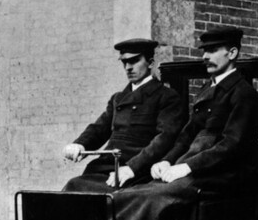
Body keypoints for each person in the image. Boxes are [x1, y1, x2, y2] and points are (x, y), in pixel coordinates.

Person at [105, 26, 258, 220]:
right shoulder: (209, 89)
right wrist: (168, 161)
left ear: (232, 53)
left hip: (222, 175)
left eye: (213, 50)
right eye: (205, 51)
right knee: (132, 193)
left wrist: (186, 167)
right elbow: (187, 135)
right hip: (196, 167)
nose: (206, 56)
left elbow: (232, 146)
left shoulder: (243, 94)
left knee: (155, 198)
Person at [62, 39, 183, 192]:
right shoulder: (118, 98)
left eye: (134, 61)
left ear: (150, 63)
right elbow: (100, 128)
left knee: (90, 192)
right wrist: (80, 144)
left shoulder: (166, 96)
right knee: (73, 188)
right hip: (107, 166)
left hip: (138, 170)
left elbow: (164, 139)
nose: (128, 67)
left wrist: (132, 167)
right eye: (124, 62)